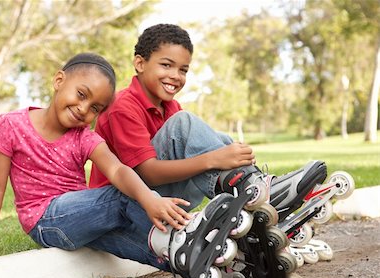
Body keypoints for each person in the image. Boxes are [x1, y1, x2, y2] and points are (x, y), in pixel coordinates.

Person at [0, 52, 193, 270]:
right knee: (123, 195)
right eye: (81, 94)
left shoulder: (84, 136)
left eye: (95, 108)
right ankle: (185, 232)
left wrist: (147, 198)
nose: (83, 109)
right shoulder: (12, 125)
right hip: (43, 221)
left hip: (81, 219)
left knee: (145, 246)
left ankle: (198, 261)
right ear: (59, 81)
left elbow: (117, 170)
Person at [89, 23, 326, 214]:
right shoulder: (122, 106)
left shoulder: (169, 106)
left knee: (221, 140)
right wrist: (213, 159)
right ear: (140, 63)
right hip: (125, 204)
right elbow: (148, 172)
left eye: (183, 70)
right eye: (166, 65)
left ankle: (256, 197)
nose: (175, 76)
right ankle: (253, 189)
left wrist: (223, 154)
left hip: (163, 198)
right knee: (186, 127)